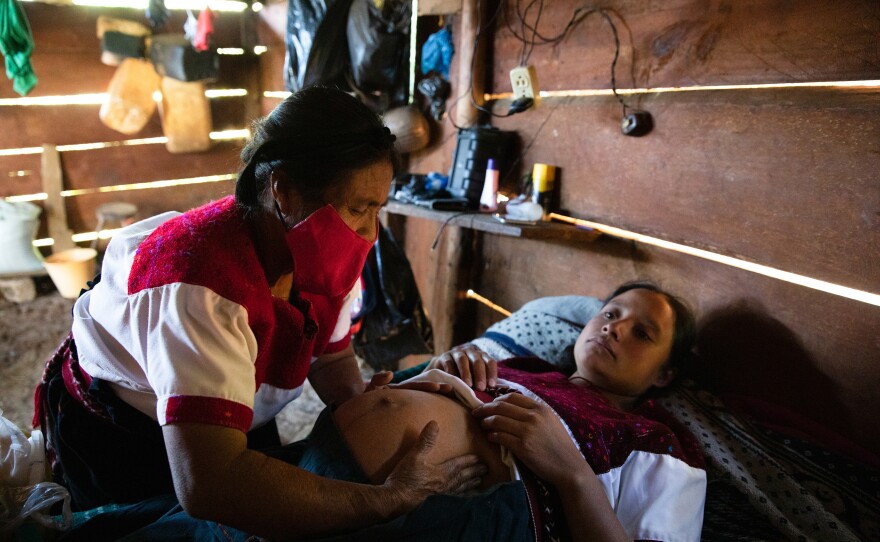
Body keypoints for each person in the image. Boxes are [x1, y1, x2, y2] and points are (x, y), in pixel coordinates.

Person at [32, 86, 485, 541]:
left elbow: (328, 355)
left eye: (376, 210)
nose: (369, 233)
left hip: (233, 415)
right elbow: (210, 482)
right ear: (283, 191)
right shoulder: (203, 286)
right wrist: (388, 500)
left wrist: (360, 400)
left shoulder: (319, 260)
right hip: (126, 436)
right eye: (356, 209)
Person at [327, 281, 706, 541]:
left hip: (442, 516)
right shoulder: (524, 367)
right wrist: (441, 368)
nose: (613, 329)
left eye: (642, 333)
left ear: (664, 374)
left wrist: (573, 474)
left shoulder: (658, 444)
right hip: (330, 464)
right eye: (610, 314)